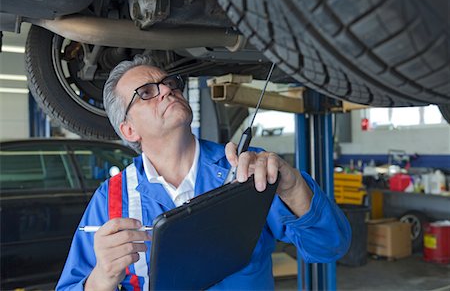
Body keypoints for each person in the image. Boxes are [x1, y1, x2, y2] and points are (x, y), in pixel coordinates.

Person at [56, 55, 351, 290]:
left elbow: (330, 247)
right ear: (129, 130)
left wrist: (293, 188)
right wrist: (100, 280)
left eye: (169, 83)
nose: (167, 89)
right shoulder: (111, 199)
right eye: (146, 92)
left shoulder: (247, 170)